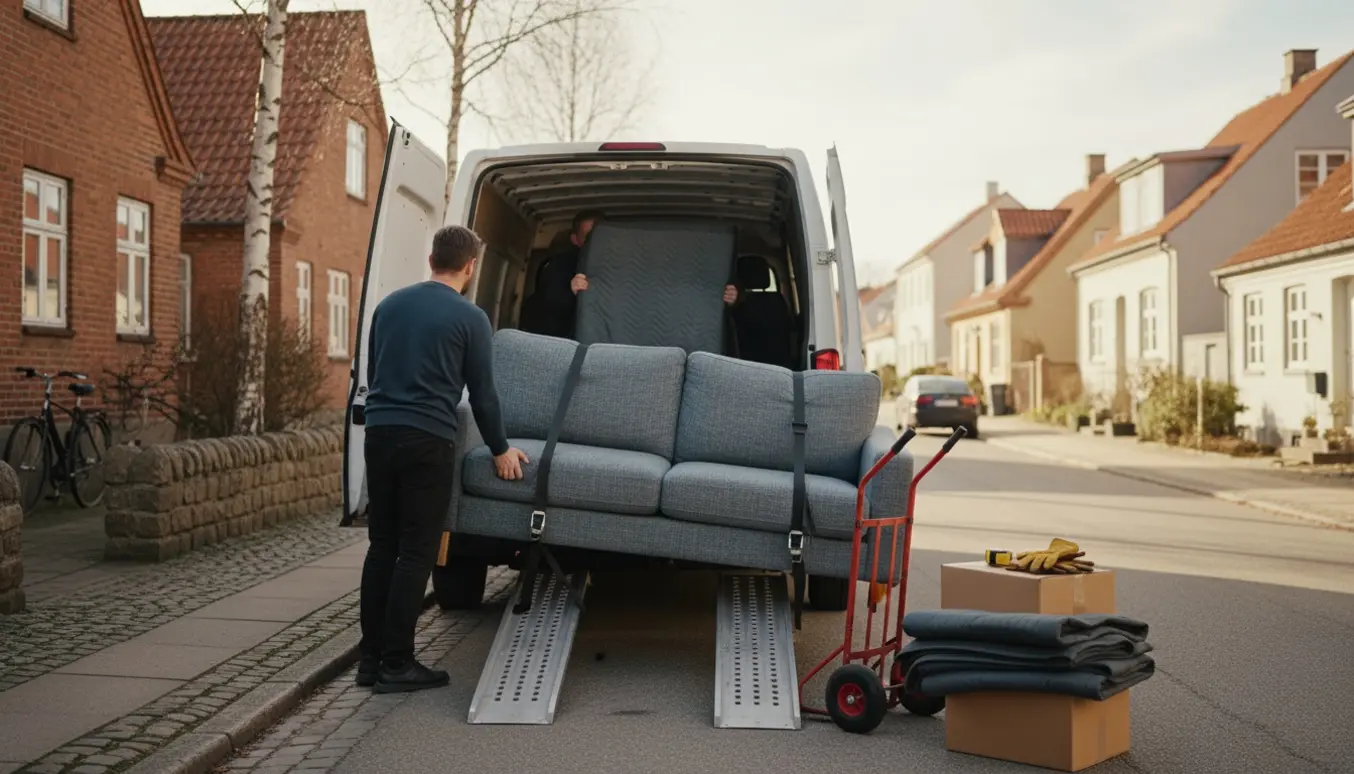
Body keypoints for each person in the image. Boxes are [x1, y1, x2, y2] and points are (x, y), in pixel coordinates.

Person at [357, 225, 529, 694]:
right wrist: (500, 449)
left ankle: (370, 661)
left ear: (431, 257)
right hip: (427, 439)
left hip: (379, 432)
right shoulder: (470, 317)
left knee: (381, 547)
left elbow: (375, 372)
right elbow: (485, 397)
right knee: (416, 551)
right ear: (470, 267)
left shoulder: (388, 306)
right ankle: (397, 664)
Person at [530, 210, 740, 339]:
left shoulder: (635, 263)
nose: (596, 244)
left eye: (601, 237)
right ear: (575, 239)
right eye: (589, 237)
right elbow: (547, 305)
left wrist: (734, 297)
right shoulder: (561, 266)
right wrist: (571, 290)